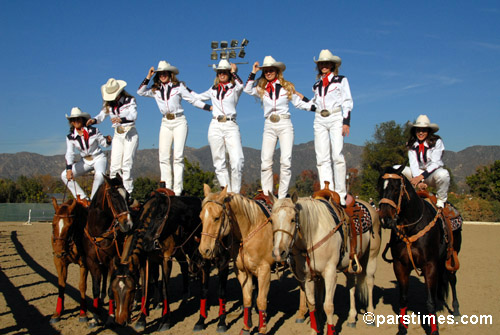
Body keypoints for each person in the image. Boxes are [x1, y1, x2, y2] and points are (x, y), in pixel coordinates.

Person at [244, 56, 315, 199]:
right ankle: (267, 196)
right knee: (265, 161)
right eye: (266, 71)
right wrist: (253, 72)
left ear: (277, 71)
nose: (268, 73)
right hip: (269, 124)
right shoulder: (261, 88)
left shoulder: (287, 87)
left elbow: (299, 103)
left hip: (284, 124)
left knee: (286, 161)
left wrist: (316, 108)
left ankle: (282, 196)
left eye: (271, 70)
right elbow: (247, 89)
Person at [137, 61, 211, 196]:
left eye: (165, 73)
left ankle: (177, 190)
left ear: (170, 74)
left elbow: (193, 100)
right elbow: (140, 91)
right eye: (160, 74)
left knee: (178, 156)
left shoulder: (179, 87)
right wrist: (148, 77)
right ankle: (167, 187)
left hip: (179, 121)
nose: (163, 76)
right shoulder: (155, 90)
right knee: (163, 156)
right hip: (165, 122)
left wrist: (208, 107)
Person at [191, 60, 244, 193]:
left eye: (225, 72)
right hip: (215, 124)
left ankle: (235, 193)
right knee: (218, 161)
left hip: (231, 124)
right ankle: (227, 193)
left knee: (237, 160)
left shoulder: (234, 88)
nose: (222, 74)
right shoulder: (213, 89)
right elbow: (196, 98)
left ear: (229, 73)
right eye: (219, 72)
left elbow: (241, 85)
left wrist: (234, 72)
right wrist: (208, 107)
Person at [310, 49, 353, 206]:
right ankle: (326, 190)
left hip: (335, 116)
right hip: (319, 118)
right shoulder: (316, 85)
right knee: (321, 157)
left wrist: (346, 121)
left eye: (327, 63)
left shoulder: (341, 80)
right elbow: (314, 104)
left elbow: (347, 101)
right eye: (321, 63)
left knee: (337, 155)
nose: (324, 65)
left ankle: (340, 194)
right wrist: (298, 97)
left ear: (333, 65)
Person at [86, 78, 139, 204]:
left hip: (130, 134)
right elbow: (101, 115)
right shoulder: (108, 105)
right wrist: (93, 120)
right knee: (114, 166)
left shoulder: (129, 101)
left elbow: (133, 115)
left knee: (127, 164)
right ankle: (114, 194)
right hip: (118, 135)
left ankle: (128, 194)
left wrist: (121, 119)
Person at [61, 107, 112, 205]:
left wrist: (108, 140)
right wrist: (69, 169)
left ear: (82, 119)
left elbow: (104, 144)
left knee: (99, 176)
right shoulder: (70, 137)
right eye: (73, 120)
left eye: (78, 119)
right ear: (71, 122)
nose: (76, 121)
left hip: (98, 158)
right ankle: (83, 199)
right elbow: (70, 153)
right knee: (64, 175)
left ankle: (93, 201)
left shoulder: (94, 131)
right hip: (85, 161)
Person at [403, 114, 450, 208]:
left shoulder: (437, 142)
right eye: (418, 130)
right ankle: (403, 197)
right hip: (417, 174)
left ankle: (441, 200)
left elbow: (436, 163)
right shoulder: (411, 144)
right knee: (396, 169)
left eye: (424, 130)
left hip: (432, 175)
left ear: (429, 131)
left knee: (443, 174)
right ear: (414, 131)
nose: (421, 133)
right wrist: (418, 181)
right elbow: (413, 164)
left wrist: (421, 177)